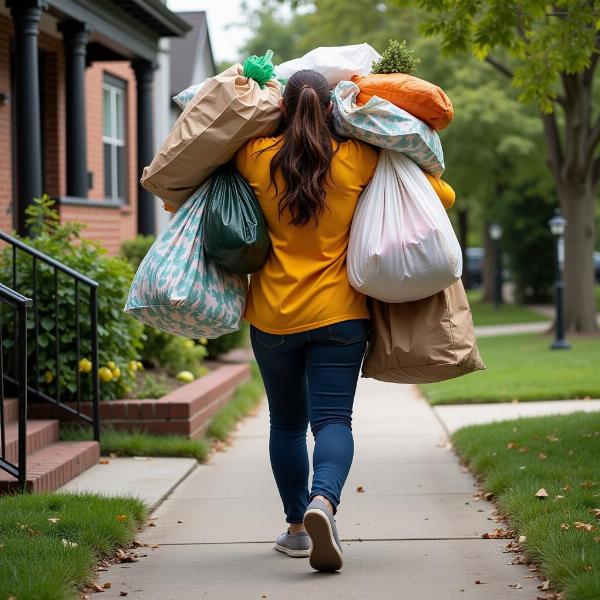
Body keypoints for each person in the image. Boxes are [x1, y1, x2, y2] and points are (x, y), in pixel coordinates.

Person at [235, 69, 455, 573]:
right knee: (332, 420)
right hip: (340, 316)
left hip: (272, 317)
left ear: (284, 110)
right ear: (333, 109)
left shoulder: (254, 156)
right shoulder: (360, 156)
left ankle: (295, 528)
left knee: (286, 423)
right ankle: (324, 503)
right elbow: (438, 197)